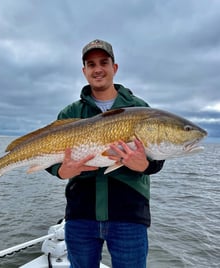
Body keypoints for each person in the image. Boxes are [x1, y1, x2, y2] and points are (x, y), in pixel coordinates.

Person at [47, 39, 165, 268]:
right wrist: (60, 171)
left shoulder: (139, 108)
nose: (98, 69)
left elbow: (159, 155)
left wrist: (144, 165)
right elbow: (47, 155)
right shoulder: (71, 112)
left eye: (103, 62)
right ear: (84, 71)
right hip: (81, 215)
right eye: (91, 64)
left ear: (115, 67)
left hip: (129, 216)